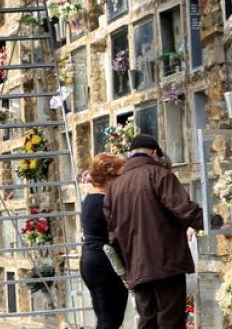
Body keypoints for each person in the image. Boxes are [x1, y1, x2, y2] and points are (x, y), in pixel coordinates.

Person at [105, 134, 221, 329]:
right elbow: (183, 208)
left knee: (146, 321)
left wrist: (125, 268)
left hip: (137, 267)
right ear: (153, 153)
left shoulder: (115, 187)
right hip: (166, 263)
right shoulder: (159, 174)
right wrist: (215, 222)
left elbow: (112, 233)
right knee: (170, 320)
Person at [80, 152, 129, 329]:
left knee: (104, 318)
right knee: (110, 320)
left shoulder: (90, 199)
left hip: (91, 261)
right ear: (109, 177)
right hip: (105, 263)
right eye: (120, 176)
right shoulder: (104, 201)